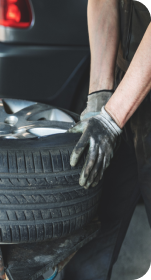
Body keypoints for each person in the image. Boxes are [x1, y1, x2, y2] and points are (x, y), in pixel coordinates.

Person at [63, 0, 151, 279]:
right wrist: (99, 101)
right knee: (88, 238)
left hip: (127, 100)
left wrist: (112, 119)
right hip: (126, 92)